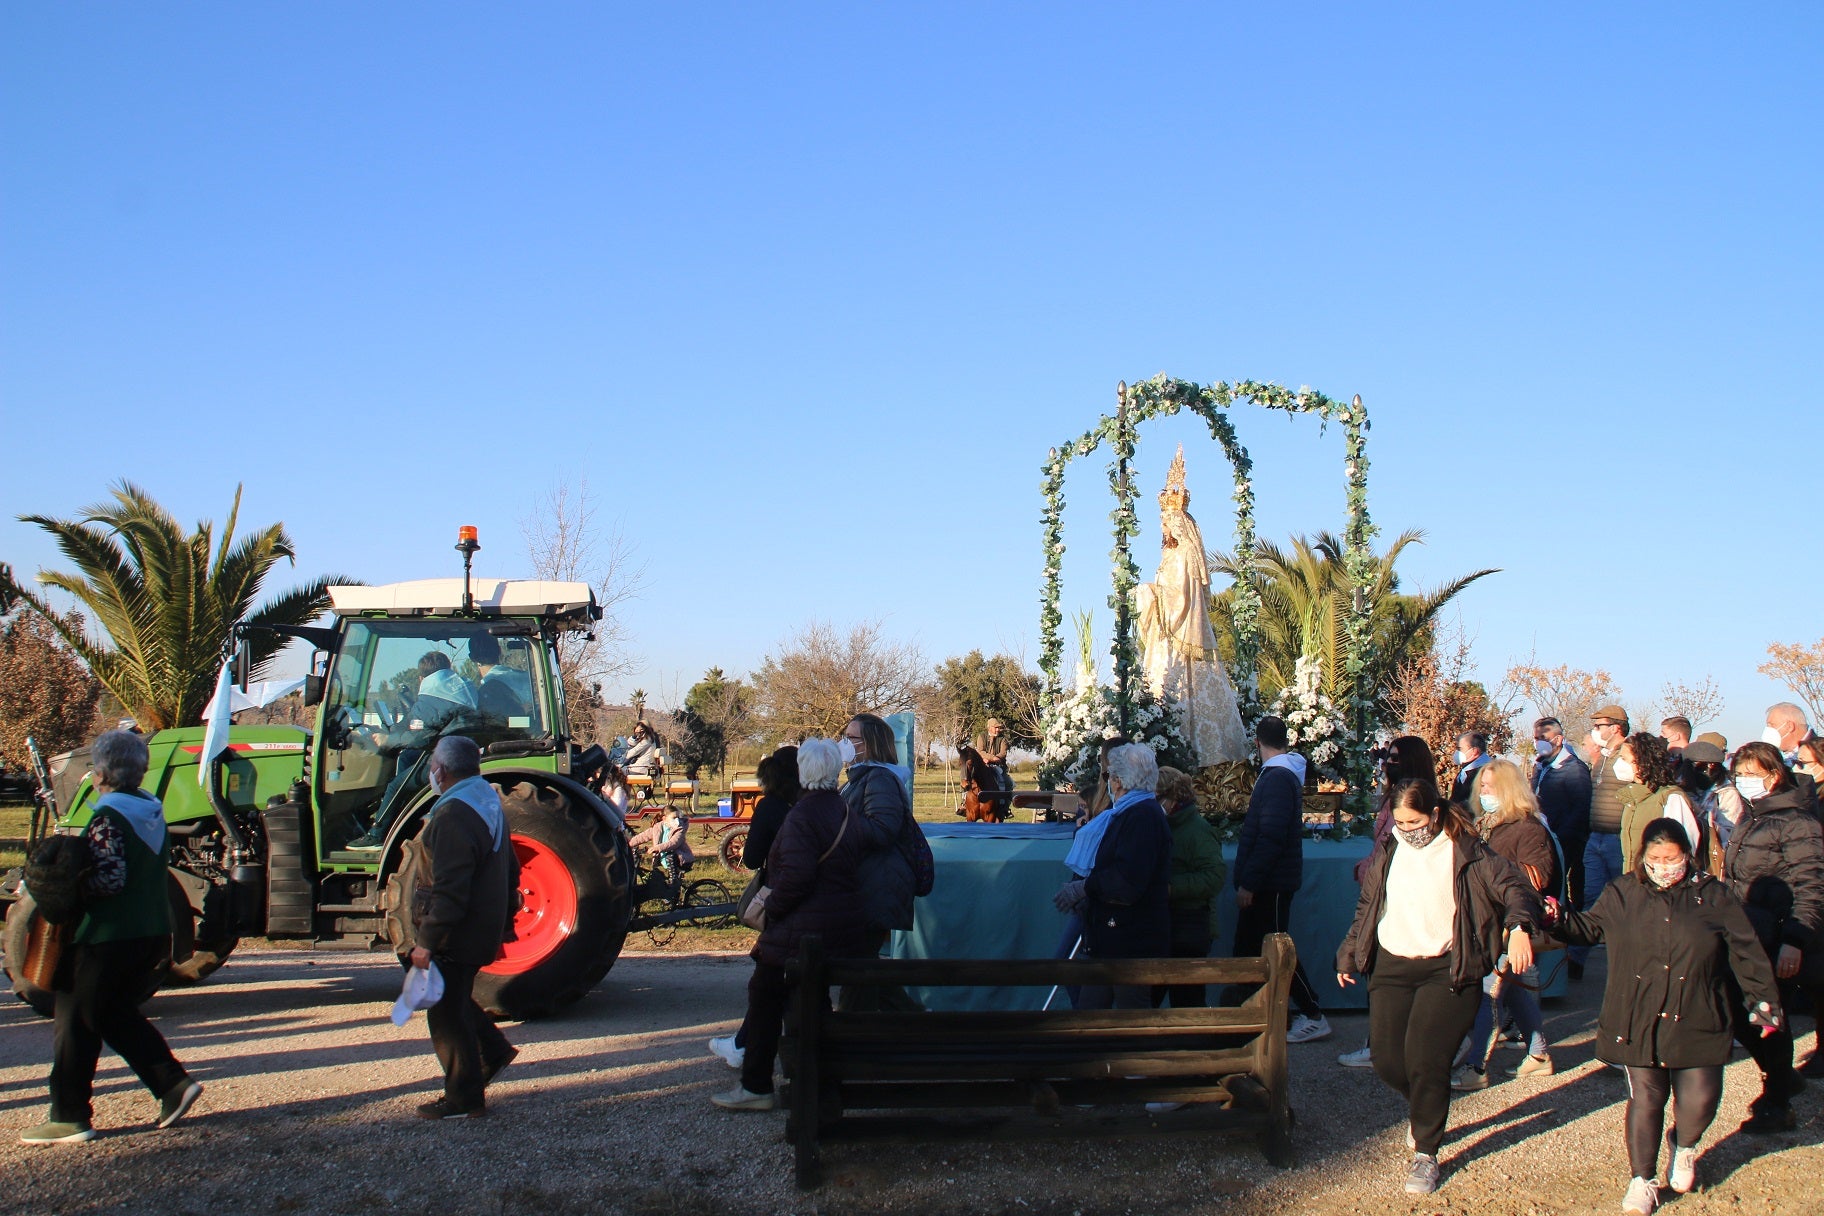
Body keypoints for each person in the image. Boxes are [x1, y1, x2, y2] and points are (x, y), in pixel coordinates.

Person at [1545, 818, 1784, 1213]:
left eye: (1671, 857)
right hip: (1638, 1015)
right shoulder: (1623, 892)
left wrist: (1764, 999)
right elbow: (1589, 928)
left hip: (1698, 1012)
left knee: (1701, 1100)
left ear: (1687, 855)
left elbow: (1746, 950)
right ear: (1643, 856)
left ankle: (1685, 1144)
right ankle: (1642, 1178)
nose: (1663, 865)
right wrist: (1555, 917)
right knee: (1646, 1099)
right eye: (1655, 858)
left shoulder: (1715, 896)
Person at [1335, 780, 1543, 1196]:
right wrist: (1349, 950)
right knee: (1389, 1060)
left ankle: (1426, 1151)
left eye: (1413, 821)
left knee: (1427, 1060)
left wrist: (1519, 927)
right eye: (1398, 822)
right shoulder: (1392, 848)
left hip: (1448, 968)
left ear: (1433, 814)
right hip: (1393, 964)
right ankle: (1425, 1105)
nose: (1406, 829)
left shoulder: (1467, 850)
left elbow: (1516, 888)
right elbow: (1370, 905)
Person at [23, 730, 202, 1144]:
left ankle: (69, 1117)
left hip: (107, 934)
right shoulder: (150, 806)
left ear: (101, 771)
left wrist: (64, 883)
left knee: (73, 1020)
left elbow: (110, 879)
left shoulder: (108, 816)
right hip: (150, 929)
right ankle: (172, 1085)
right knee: (110, 1013)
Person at [713, 738, 865, 1111]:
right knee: (810, 1006)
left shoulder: (802, 816)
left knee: (765, 999)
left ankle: (756, 1087)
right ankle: (815, 1083)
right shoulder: (843, 810)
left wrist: (772, 909)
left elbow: (795, 878)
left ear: (804, 772)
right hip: (837, 924)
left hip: (799, 930)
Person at [403, 736, 520, 1119]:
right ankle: (495, 1051)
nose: (431, 772)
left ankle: (463, 1097)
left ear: (440, 770)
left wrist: (427, 942)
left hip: (457, 933)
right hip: (478, 927)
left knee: (445, 1012)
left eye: (432, 765)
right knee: (452, 998)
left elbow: (450, 891)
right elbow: (512, 869)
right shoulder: (486, 802)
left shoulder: (454, 814)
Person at [1720, 740, 1824, 1131]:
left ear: (1774, 775)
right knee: (1734, 1011)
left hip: (1778, 938)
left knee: (1767, 1015)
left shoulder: (1798, 823)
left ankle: (1778, 1103)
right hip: (1745, 934)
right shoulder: (1753, 817)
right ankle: (1782, 1078)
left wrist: (1794, 941)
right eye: (1740, 775)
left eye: (1751, 774)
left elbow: (1811, 887)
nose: (1744, 782)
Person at [1131, 445, 1250, 765]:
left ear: (1178, 524)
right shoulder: (1169, 554)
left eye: (1165, 521)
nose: (1162, 526)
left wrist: (1149, 592)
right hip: (1165, 637)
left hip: (1179, 633)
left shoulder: (1183, 553)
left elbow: (1178, 593)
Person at [1451, 759, 1561, 1091]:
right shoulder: (1482, 823)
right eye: (1481, 787)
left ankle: (1477, 1066)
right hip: (1487, 920)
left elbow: (1539, 876)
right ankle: (1539, 1054)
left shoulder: (1529, 828)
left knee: (1491, 993)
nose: (1483, 793)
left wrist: (1493, 871)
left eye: (1490, 788)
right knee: (1511, 991)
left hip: (1512, 923)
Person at [1339, 735, 1439, 1070]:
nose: (1387, 762)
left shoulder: (1414, 799)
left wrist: (1370, 868)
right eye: (1387, 757)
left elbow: (1392, 848)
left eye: (1394, 758)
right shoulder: (1390, 798)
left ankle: (1381, 1045)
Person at [1051, 743, 1172, 1009]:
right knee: (1090, 1010)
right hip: (1111, 939)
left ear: (1118, 781)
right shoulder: (1130, 812)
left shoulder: (1142, 816)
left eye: (1108, 776)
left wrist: (1085, 888)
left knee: (1131, 1014)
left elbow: (1127, 880)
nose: (1107, 782)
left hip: (1131, 942)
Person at [1233, 716, 1330, 1043]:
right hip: (1268, 879)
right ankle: (1251, 1012)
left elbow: (1270, 836)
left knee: (1277, 948)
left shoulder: (1276, 779)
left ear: (1258, 743)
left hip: (1271, 883)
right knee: (1251, 947)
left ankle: (1313, 1012)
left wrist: (1250, 881)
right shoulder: (1280, 775)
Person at [708, 745, 801, 1071]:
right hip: (815, 902)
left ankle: (748, 1049)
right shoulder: (810, 806)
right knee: (779, 981)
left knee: (769, 979)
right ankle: (743, 1042)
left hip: (781, 897)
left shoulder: (770, 808)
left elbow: (749, 859)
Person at [349, 653, 478, 849]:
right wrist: (387, 734)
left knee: (395, 786)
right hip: (459, 751)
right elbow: (415, 723)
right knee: (408, 756)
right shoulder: (454, 688)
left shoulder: (434, 695)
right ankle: (400, 821)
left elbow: (420, 737)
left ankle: (377, 835)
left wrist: (387, 740)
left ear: (421, 678)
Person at [838, 713, 917, 1011]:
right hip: (867, 883)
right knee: (863, 965)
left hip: (876, 885)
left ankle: (847, 1035)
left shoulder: (880, 779)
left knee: (857, 966)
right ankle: (916, 1020)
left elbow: (883, 830)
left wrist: (840, 826)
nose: (845, 744)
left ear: (870, 744)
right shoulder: (862, 777)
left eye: (851, 738)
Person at [1153, 765, 1224, 1009]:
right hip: (1164, 921)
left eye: (1156, 798)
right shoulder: (1159, 825)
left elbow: (1213, 876)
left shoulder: (1197, 830)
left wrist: (1172, 888)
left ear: (1173, 797)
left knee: (1187, 1000)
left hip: (1189, 922)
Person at [1532, 716, 1592, 974]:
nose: (1538, 744)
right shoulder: (1542, 765)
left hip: (1565, 840)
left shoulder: (1574, 769)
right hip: (1544, 837)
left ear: (1558, 739)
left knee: (1565, 896)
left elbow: (1580, 809)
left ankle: (1570, 950)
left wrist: (1559, 837)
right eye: (1535, 738)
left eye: (1542, 738)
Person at [1613, 733, 1700, 871]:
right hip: (1635, 879)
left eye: (1624, 758)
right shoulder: (1632, 798)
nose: (1619, 763)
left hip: (1661, 881)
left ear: (1642, 761)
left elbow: (1687, 843)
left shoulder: (1671, 798)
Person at [1584, 706, 1633, 921]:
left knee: (1622, 898)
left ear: (1615, 728)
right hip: (1595, 836)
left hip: (1618, 837)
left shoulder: (1628, 756)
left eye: (1599, 726)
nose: (1595, 730)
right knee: (1591, 897)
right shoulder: (1602, 757)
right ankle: (1582, 950)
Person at [629, 803, 694, 899]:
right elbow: (643, 836)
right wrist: (628, 844)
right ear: (664, 818)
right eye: (674, 817)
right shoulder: (658, 828)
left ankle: (674, 884)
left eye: (678, 817)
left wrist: (657, 848)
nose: (677, 820)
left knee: (670, 855)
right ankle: (666, 893)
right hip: (663, 860)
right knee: (656, 876)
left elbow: (674, 843)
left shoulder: (679, 829)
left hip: (681, 859)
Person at [469, 633, 530, 720]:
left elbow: (507, 724)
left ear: (472, 658)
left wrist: (524, 718)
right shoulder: (528, 677)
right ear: (500, 650)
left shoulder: (488, 691)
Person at [1447, 732, 1491, 806]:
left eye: (1460, 749)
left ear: (1474, 751)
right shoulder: (1465, 771)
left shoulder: (1487, 773)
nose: (1457, 752)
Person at [976, 718, 1012, 791]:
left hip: (998, 766)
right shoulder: (981, 736)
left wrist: (994, 759)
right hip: (983, 765)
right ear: (989, 727)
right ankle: (964, 799)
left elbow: (1003, 753)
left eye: (998, 728)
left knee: (1008, 783)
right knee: (969, 780)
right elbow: (980, 751)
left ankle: (1004, 801)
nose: (998, 729)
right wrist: (992, 758)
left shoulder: (1002, 739)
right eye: (996, 727)